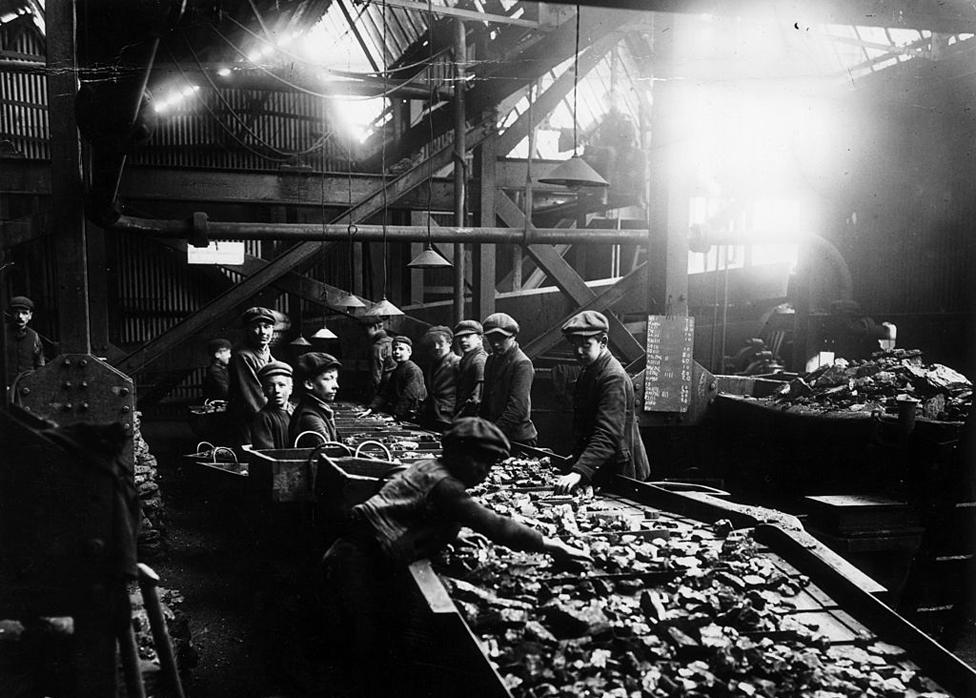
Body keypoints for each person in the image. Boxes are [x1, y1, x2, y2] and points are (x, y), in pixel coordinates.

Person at [321, 418, 590, 695]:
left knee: (368, 637)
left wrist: (454, 534)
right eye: (479, 461)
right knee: (364, 645)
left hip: (358, 552)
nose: (484, 472)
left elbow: (418, 509)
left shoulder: (428, 466)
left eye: (490, 464)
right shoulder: (446, 486)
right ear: (455, 453)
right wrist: (552, 545)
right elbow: (496, 526)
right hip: (358, 561)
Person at [554, 311, 651, 494]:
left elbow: (607, 433)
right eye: (574, 345)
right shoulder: (589, 369)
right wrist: (578, 457)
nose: (579, 351)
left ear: (603, 342)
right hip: (603, 465)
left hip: (621, 471)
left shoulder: (612, 377)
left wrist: (579, 470)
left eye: (586, 345)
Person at [479, 312, 537, 446]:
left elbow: (518, 409)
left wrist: (491, 434)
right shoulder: (491, 360)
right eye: (491, 339)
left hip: (517, 439)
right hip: (496, 435)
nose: (496, 344)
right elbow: (486, 402)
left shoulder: (522, 364)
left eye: (501, 338)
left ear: (513, 336)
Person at [226, 307, 277, 446]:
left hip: (263, 415)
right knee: (252, 456)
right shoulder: (242, 355)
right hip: (248, 417)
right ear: (247, 330)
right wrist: (275, 414)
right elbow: (253, 394)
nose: (263, 332)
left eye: (267, 327)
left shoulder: (266, 352)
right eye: (256, 327)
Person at [363, 335, 427, 422]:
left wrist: (396, 416)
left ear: (409, 352)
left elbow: (409, 395)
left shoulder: (413, 370)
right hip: (401, 414)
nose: (396, 352)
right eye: (394, 349)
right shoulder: (397, 370)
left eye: (401, 349)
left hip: (411, 416)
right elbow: (385, 393)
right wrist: (370, 409)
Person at [290, 352, 342, 446]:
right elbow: (327, 455)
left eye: (335, 379)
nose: (336, 386)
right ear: (309, 384)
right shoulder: (311, 419)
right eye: (327, 379)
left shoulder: (317, 411)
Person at [421, 325, 459, 431]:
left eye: (440, 343)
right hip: (432, 415)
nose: (436, 347)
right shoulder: (432, 364)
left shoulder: (457, 363)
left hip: (448, 416)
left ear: (450, 343)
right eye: (433, 344)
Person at [249, 361, 294, 450]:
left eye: (281, 385)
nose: (276, 390)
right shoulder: (263, 418)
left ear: (290, 389)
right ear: (264, 391)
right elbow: (267, 454)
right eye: (270, 386)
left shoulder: (295, 412)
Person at [5, 295, 45, 385]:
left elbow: (40, 365)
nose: (20, 317)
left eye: (24, 313)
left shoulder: (34, 336)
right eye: (16, 312)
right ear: (11, 314)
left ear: (30, 316)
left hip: (28, 388)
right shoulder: (3, 333)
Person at [453, 319, 487, 419]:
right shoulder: (466, 359)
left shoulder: (479, 361)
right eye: (460, 337)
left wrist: (458, 420)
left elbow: (476, 399)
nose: (463, 340)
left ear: (480, 339)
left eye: (467, 336)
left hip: (472, 419)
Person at [364, 318, 396, 402]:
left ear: (374, 327)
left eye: (366, 329)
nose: (365, 333)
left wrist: (375, 401)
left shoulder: (377, 347)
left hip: (384, 388)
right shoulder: (393, 341)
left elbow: (376, 376)